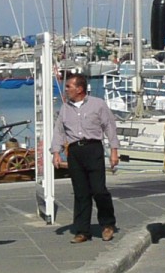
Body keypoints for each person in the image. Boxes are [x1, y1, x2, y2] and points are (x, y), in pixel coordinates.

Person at [50, 72, 120, 243]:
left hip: (93, 149)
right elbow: (59, 130)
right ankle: (82, 230)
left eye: (69, 87)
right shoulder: (66, 108)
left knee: (99, 190)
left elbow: (109, 127)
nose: (66, 90)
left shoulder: (98, 104)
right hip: (74, 151)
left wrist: (114, 151)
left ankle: (107, 224)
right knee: (81, 193)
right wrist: (56, 153)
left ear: (79, 89)